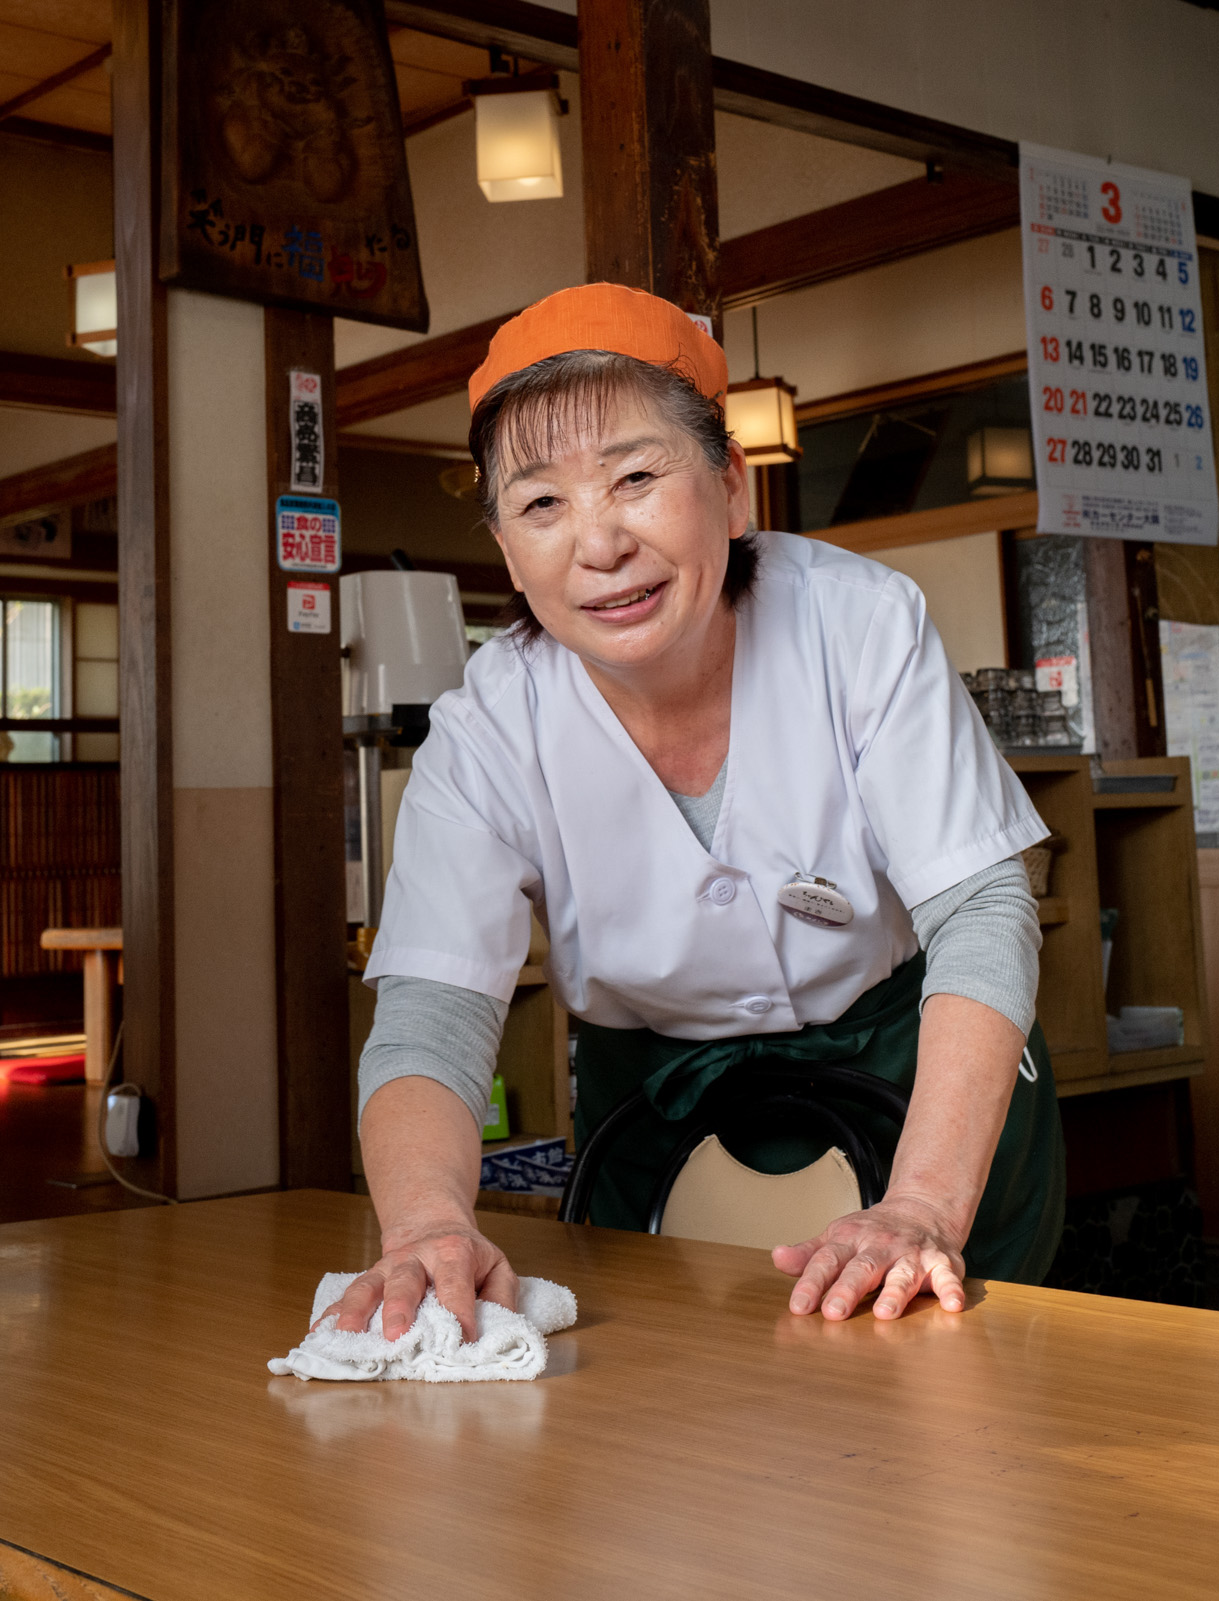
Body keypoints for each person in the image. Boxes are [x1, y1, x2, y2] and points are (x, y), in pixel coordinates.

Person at [334, 284, 1064, 1341]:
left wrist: (920, 1205)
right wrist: (425, 1224)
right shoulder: (488, 726)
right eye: (542, 504)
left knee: (952, 1412)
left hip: (914, 1072)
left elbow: (982, 906)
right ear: (505, 548)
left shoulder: (856, 624)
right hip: (657, 1094)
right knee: (674, 1434)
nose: (598, 543)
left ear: (729, 487)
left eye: (635, 478)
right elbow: (433, 1008)